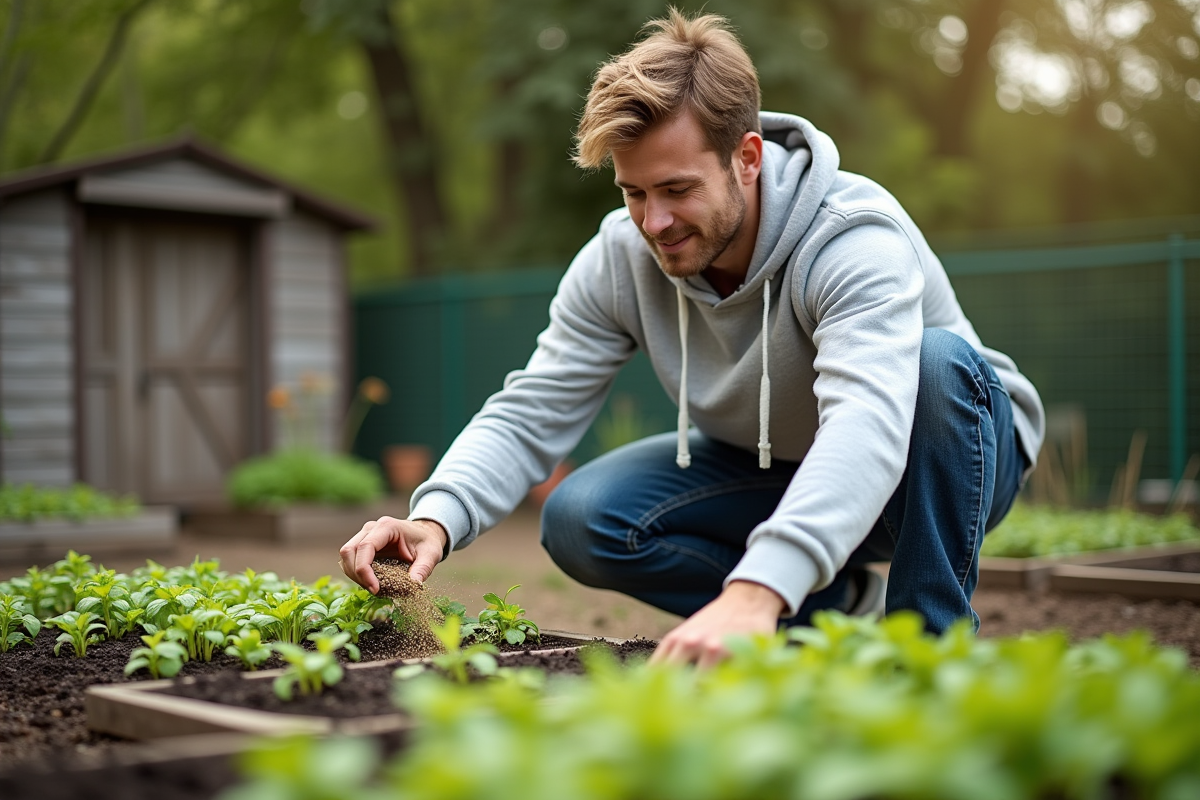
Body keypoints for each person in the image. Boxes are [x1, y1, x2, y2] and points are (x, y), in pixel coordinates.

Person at [340, 9, 1044, 667]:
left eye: (676, 189)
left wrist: (757, 585)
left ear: (747, 156)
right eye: (633, 193)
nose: (653, 222)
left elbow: (869, 424)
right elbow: (534, 408)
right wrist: (435, 517)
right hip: (780, 465)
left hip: (952, 462)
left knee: (937, 363)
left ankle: (927, 650)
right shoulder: (621, 258)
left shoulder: (850, 235)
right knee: (582, 516)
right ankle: (827, 613)